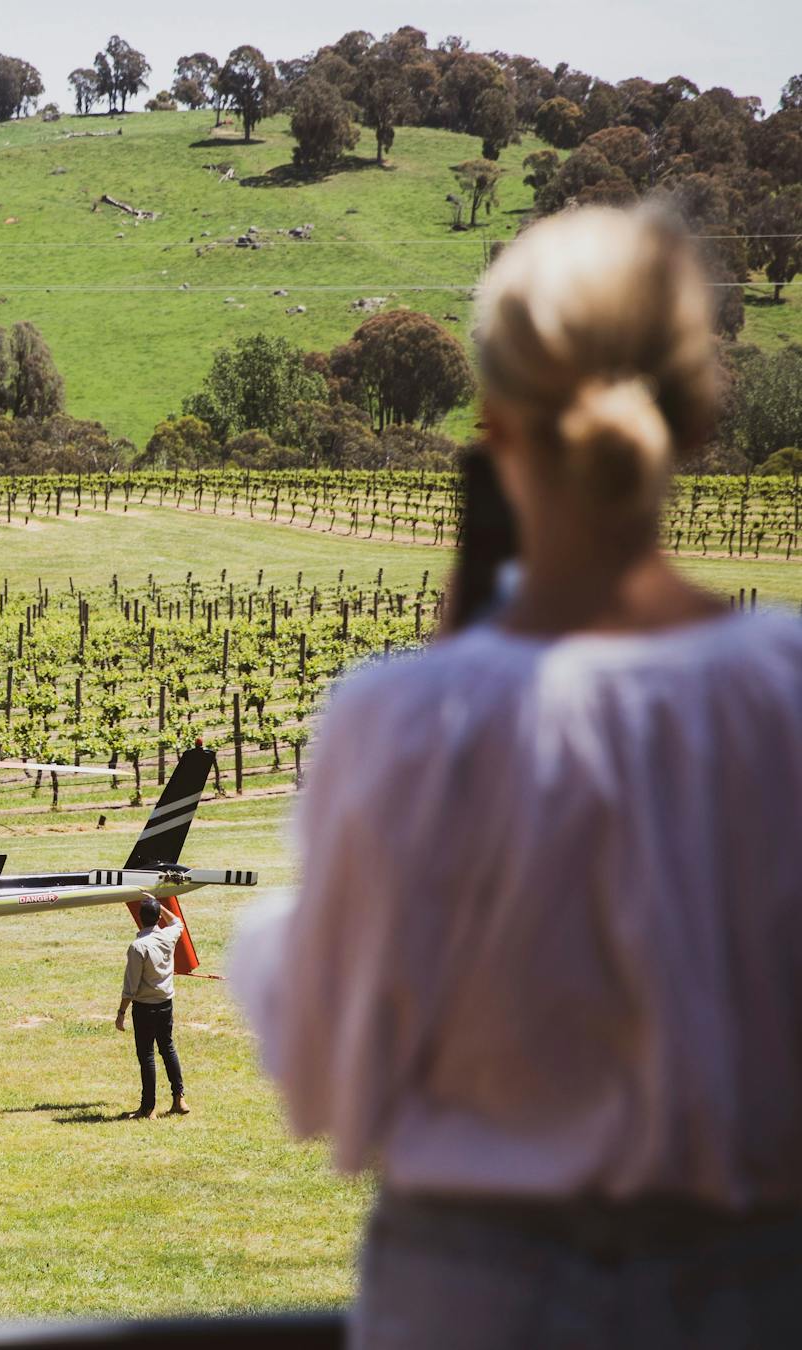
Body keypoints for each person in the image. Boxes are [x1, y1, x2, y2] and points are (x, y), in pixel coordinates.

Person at [230, 204, 802, 1348]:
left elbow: (326, 1084)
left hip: (470, 1290)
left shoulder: (399, 717)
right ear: (696, 420)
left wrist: (455, 669)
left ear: (492, 428)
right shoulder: (783, 696)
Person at [117, 892, 190, 1119]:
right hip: (166, 1004)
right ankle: (179, 1098)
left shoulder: (138, 946)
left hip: (145, 1007)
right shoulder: (168, 937)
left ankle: (147, 1108)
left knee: (147, 1055)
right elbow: (177, 922)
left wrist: (121, 1013)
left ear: (140, 918)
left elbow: (131, 985)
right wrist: (159, 905)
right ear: (158, 917)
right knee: (167, 1049)